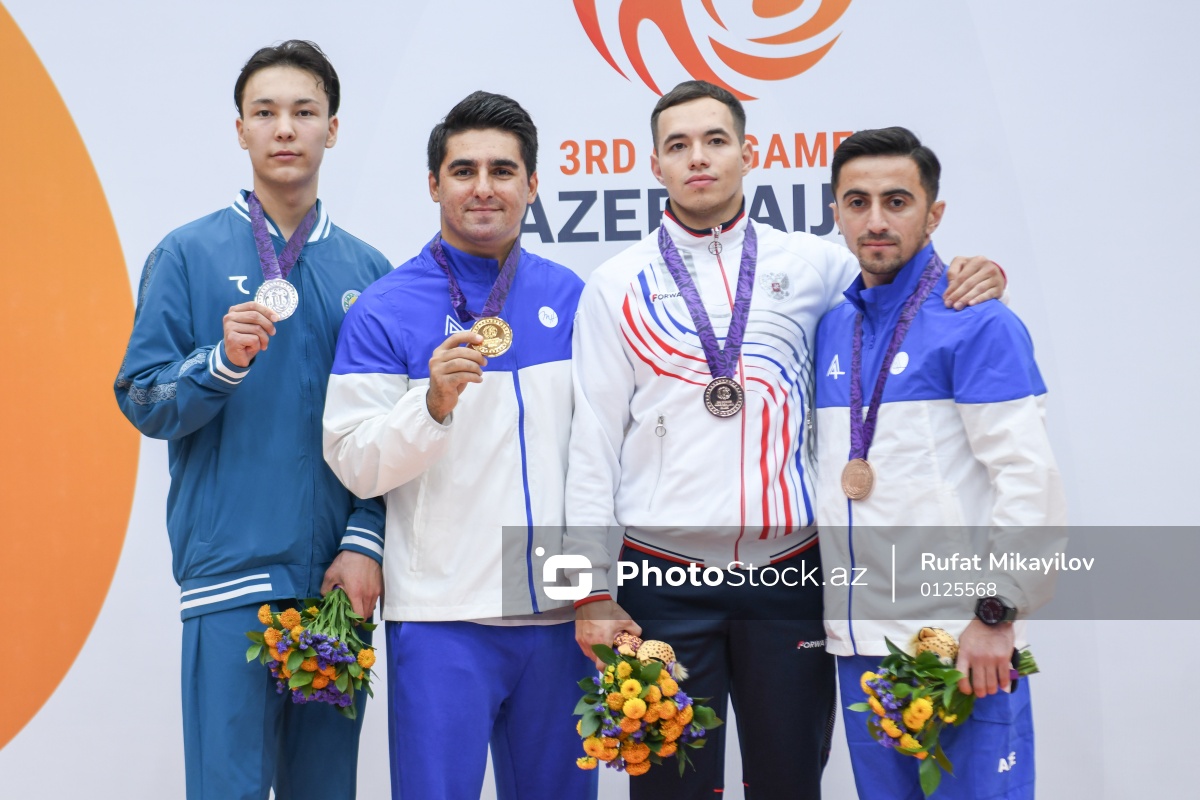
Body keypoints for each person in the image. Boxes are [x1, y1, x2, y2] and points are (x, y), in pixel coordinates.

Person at [564, 81, 1006, 799]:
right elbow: (590, 445)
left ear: (750, 152)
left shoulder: (817, 266)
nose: (698, 158)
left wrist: (975, 274)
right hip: (661, 580)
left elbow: (906, 290)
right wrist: (587, 589)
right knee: (670, 789)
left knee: (790, 782)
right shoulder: (614, 284)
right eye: (678, 145)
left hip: (790, 576)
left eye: (715, 140)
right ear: (654, 164)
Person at [113, 41, 390, 800]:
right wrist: (219, 363)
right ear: (240, 130)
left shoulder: (370, 273)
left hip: (335, 589)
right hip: (229, 583)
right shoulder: (186, 254)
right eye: (265, 112)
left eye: (304, 111)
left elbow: (390, 433)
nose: (285, 128)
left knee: (325, 791)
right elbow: (140, 398)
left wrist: (365, 540)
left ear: (333, 128)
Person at [322, 91, 596, 800]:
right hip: (444, 617)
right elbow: (353, 460)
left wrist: (598, 587)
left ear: (532, 185)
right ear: (433, 183)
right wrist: (431, 406)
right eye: (464, 169)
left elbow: (601, 457)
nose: (483, 187)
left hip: (558, 612)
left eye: (502, 170)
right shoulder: (386, 307)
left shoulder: (573, 298)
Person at [815, 127, 1066, 799]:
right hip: (862, 649)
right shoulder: (831, 327)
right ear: (836, 212)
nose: (876, 219)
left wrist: (997, 614)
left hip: (961, 644)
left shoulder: (979, 321)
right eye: (858, 201)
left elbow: (1029, 480)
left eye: (896, 201)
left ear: (934, 213)